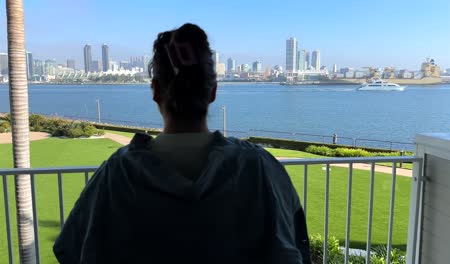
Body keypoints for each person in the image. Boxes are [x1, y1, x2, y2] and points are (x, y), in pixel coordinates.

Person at [54, 23, 310, 264]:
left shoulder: (116, 173)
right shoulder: (260, 168)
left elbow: (71, 250)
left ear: (155, 90)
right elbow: (293, 247)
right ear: (212, 92)